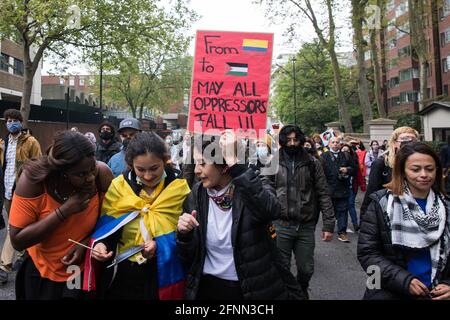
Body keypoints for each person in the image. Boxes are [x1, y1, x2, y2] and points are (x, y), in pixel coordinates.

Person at [176, 131, 305, 300]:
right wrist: (184, 235)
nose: (197, 170)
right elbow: (189, 255)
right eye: (195, 163)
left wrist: (236, 164)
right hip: (207, 286)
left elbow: (270, 210)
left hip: (250, 287)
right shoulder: (197, 193)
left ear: (223, 165)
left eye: (202, 163)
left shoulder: (254, 182)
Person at [8, 131, 113, 299]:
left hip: (79, 271)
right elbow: (18, 240)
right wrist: (64, 211)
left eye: (92, 170)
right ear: (62, 173)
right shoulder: (33, 181)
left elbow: (114, 220)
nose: (90, 178)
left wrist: (88, 242)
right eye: (81, 174)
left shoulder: (102, 174)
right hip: (40, 271)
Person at [85, 131, 190, 300]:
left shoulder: (179, 188)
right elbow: (107, 227)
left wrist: (159, 246)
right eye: (140, 169)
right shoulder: (119, 187)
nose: (148, 176)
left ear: (165, 160)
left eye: (154, 168)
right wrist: (101, 245)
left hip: (161, 272)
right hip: (121, 272)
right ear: (130, 163)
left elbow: (189, 238)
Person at [358, 141, 450, 300]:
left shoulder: (447, 206)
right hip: (390, 290)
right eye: (415, 169)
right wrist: (404, 280)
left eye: (429, 169)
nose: (424, 174)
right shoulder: (381, 204)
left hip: (436, 293)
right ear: (402, 171)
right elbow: (368, 253)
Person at [270, 125, 334, 298]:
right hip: (280, 225)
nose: (292, 143)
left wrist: (328, 224)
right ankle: (288, 294)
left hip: (305, 225)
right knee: (281, 267)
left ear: (301, 140)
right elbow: (265, 189)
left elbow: (323, 193)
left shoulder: (313, 163)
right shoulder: (272, 161)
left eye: (295, 139)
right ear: (282, 141)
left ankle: (301, 288)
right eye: (288, 140)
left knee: (306, 268)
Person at [0, 109, 42, 285]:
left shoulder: (30, 142)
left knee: (13, 227)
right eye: (8, 120)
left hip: (22, 191)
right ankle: (25, 252)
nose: (11, 123)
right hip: (7, 191)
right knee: (20, 226)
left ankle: (4, 266)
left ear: (21, 122)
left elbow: (39, 164)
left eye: (14, 120)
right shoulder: (3, 143)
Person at [360, 127, 419, 218]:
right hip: (390, 214)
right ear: (394, 143)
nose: (409, 143)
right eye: (404, 140)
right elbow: (371, 192)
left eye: (413, 140)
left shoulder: (423, 163)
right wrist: (365, 219)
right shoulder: (382, 164)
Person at [321, 136, 354, 243]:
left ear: (340, 144)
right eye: (333, 142)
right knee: (329, 212)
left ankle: (342, 233)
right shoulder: (324, 156)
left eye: (337, 142)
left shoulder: (346, 155)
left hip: (343, 189)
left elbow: (354, 168)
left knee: (343, 211)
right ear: (329, 144)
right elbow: (320, 173)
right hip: (329, 189)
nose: (335, 144)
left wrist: (347, 170)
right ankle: (327, 229)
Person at [341, 144, 364, 232]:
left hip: (351, 187)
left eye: (347, 150)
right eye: (343, 150)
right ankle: (342, 223)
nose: (345, 152)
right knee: (343, 206)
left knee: (351, 205)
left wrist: (362, 185)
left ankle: (355, 224)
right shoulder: (338, 161)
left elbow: (359, 175)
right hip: (340, 188)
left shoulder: (354, 162)